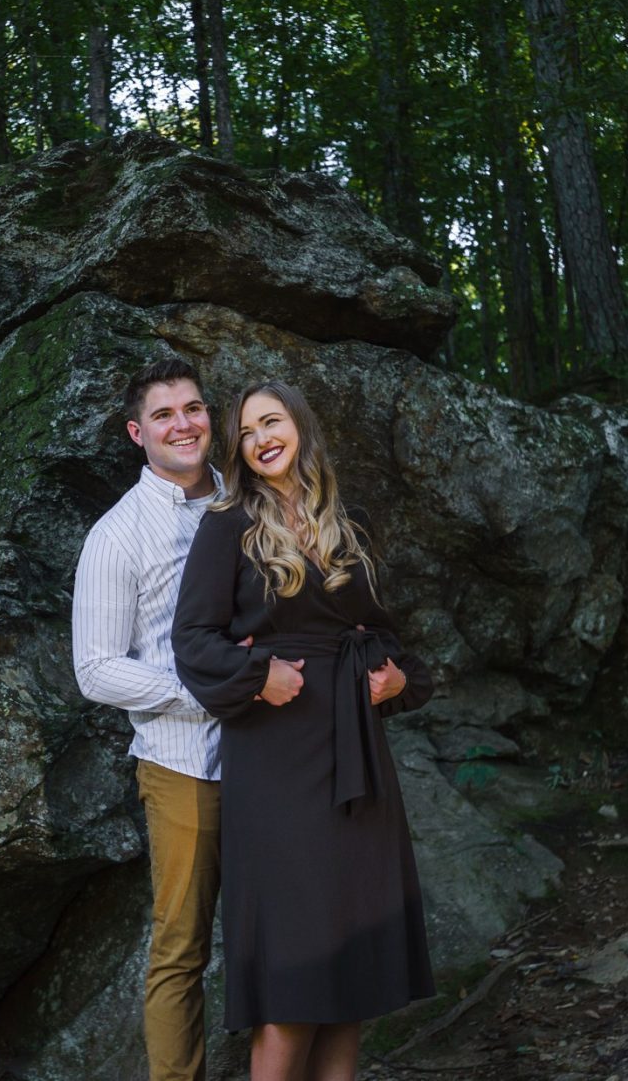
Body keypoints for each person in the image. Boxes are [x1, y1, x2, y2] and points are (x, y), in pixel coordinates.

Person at [171, 380, 435, 1081]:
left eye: (272, 420)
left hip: (356, 758)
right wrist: (259, 676)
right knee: (293, 990)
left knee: (351, 983)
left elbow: (386, 630)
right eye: (247, 431)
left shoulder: (348, 520)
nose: (261, 438)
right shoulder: (228, 523)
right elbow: (192, 639)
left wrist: (400, 678)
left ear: (300, 427)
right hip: (277, 759)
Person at [72, 358, 227, 1081]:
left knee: (279, 929)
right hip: (182, 762)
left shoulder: (242, 502)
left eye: (193, 408)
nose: (183, 424)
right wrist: (210, 692)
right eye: (164, 415)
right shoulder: (116, 534)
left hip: (271, 755)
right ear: (138, 433)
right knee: (181, 946)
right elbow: (96, 668)